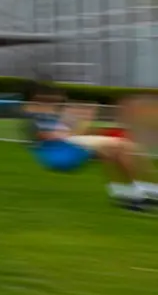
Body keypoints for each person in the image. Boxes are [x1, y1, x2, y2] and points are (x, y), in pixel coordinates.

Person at [23, 82, 158, 209]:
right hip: (61, 152)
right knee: (123, 147)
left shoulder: (51, 116)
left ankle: (128, 194)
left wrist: (80, 124)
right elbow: (47, 136)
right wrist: (70, 127)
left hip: (69, 146)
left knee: (116, 153)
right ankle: (147, 190)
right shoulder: (35, 117)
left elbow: (69, 132)